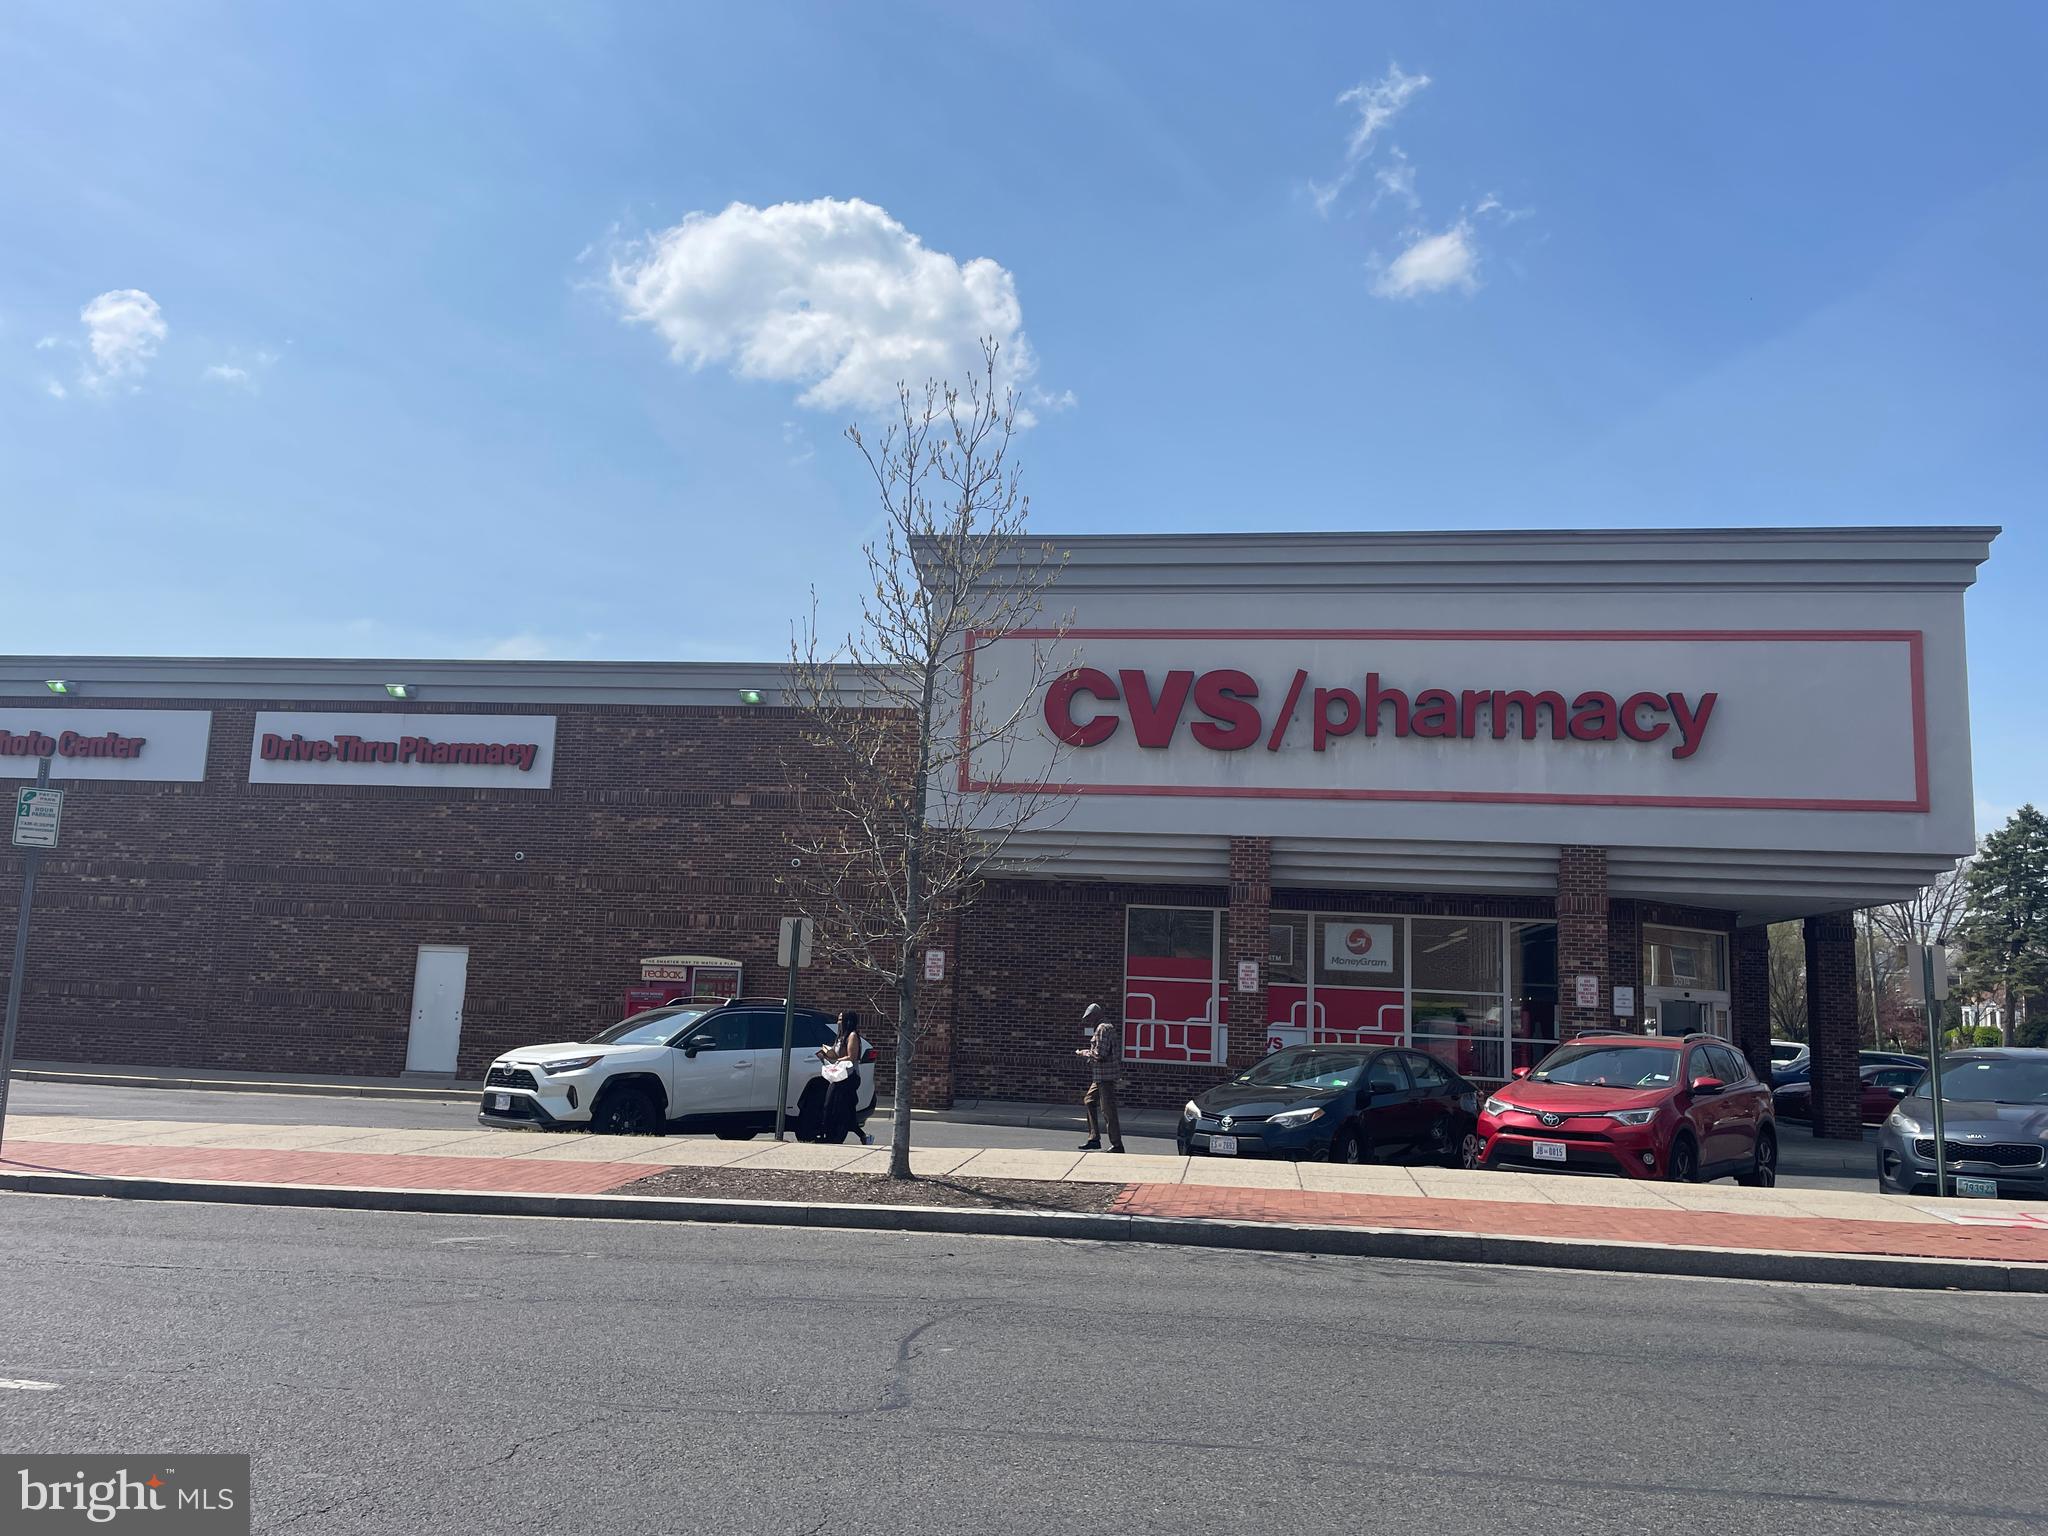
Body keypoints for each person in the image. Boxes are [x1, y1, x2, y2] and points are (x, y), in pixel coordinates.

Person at [816, 1011, 871, 1146]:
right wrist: (825, 1054)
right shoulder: (840, 1037)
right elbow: (835, 1053)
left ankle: (835, 1136)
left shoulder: (852, 1036)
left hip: (849, 1077)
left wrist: (835, 1060)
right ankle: (862, 1136)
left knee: (837, 1107)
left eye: (841, 1019)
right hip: (838, 1076)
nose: (838, 1022)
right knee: (838, 1107)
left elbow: (852, 1057)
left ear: (848, 1021)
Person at [1075, 1002, 1124, 1153]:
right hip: (1101, 1076)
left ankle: (1117, 1145)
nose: (1088, 1021)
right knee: (1089, 1100)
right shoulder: (1104, 1027)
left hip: (1105, 1077)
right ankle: (1093, 1138)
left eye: (1089, 1017)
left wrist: (1084, 1053)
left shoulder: (1103, 1029)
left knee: (1108, 1111)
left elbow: (1100, 1054)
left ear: (1096, 1015)